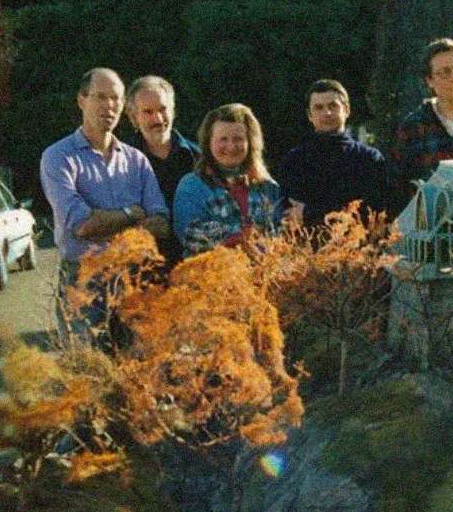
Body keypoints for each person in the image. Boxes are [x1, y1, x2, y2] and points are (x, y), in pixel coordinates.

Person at [40, 67, 170, 340]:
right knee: (89, 372)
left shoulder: (136, 161)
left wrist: (108, 223)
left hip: (134, 280)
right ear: (81, 100)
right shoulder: (59, 158)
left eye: (116, 99)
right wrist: (131, 214)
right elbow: (82, 225)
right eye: (101, 97)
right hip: (83, 283)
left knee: (138, 369)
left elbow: (161, 224)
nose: (109, 106)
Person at [388, 38, 453, 215]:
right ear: (429, 80)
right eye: (444, 73)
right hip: (430, 232)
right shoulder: (414, 127)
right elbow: (397, 187)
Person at [173, 103, 282, 257]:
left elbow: (280, 234)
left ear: (250, 142)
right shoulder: (191, 186)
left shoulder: (268, 187)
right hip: (213, 275)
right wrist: (242, 239)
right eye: (223, 139)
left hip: (265, 274)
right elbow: (191, 234)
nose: (231, 147)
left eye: (238, 139)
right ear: (208, 142)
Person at [279, 79, 388, 228]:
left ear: (347, 110)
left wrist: (310, 214)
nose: (327, 113)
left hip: (357, 248)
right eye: (318, 108)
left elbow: (370, 216)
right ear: (309, 115)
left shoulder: (369, 159)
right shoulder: (295, 162)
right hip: (307, 250)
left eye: (333, 106)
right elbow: (292, 218)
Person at [125, 75, 198, 263]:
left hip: (196, 268)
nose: (157, 119)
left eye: (163, 109)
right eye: (147, 112)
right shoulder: (120, 164)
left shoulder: (200, 159)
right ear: (134, 118)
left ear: (173, 111)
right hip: (142, 273)